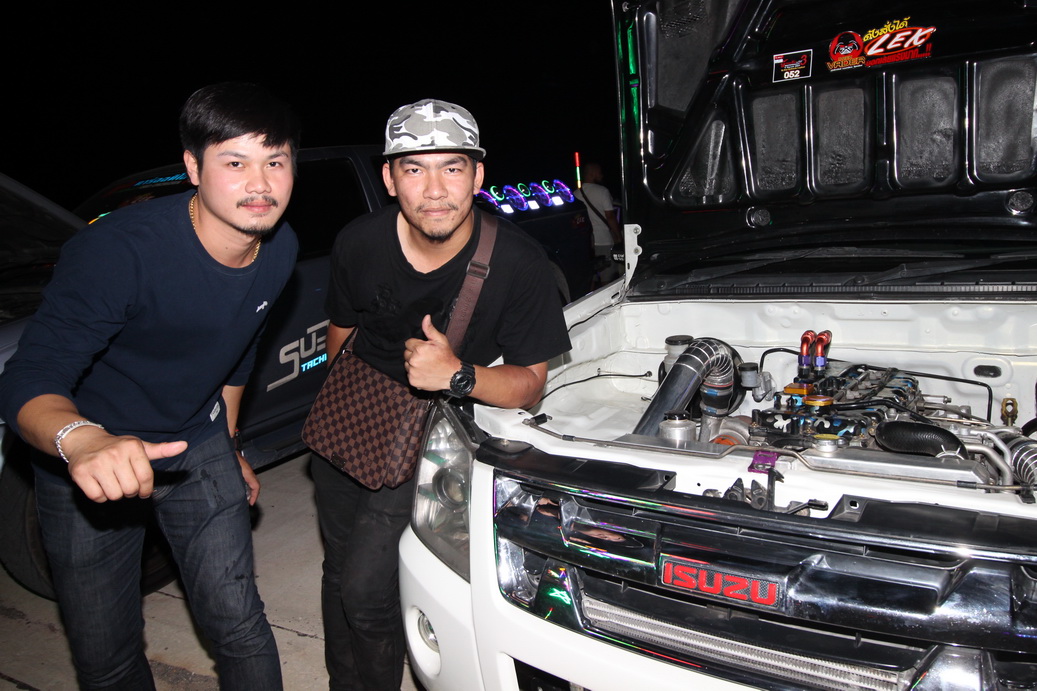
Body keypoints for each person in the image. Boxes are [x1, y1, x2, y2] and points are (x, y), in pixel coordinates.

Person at [0, 82, 300, 690]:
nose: (260, 183)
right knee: (107, 657)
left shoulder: (280, 248)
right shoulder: (118, 252)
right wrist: (81, 440)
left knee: (240, 627)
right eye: (235, 163)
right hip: (93, 461)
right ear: (193, 167)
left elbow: (238, 352)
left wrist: (230, 444)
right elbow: (27, 378)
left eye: (275, 162)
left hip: (197, 444)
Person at [313, 98, 572, 690]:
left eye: (452, 168)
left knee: (366, 592)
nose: (434, 190)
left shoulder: (518, 262)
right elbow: (341, 333)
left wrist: (456, 374)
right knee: (337, 571)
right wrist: (343, 409)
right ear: (389, 179)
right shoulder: (358, 241)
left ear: (478, 175)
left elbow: (530, 384)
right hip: (351, 421)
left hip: (430, 430)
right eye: (414, 169)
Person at [574, 159, 623, 283]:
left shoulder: (575, 194)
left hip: (587, 243)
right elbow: (610, 217)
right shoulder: (602, 191)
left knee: (591, 279)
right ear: (593, 174)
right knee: (608, 278)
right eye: (600, 172)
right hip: (604, 241)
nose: (602, 175)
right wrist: (618, 237)